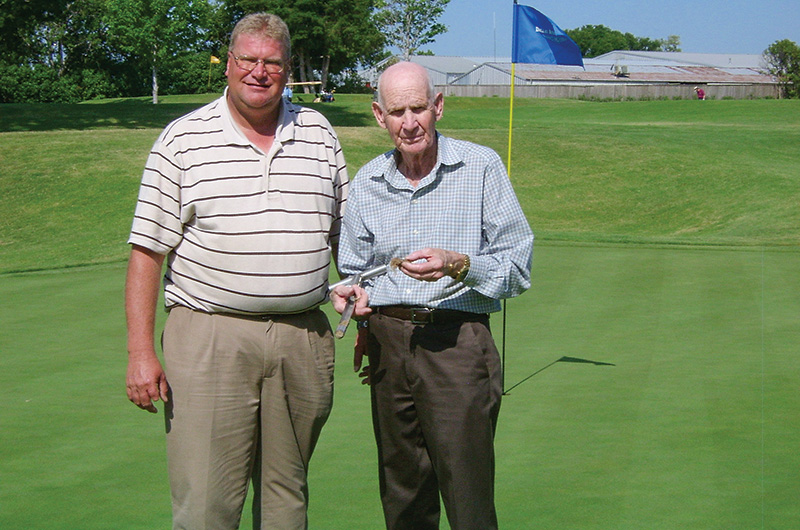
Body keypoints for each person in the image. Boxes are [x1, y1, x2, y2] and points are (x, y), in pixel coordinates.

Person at [124, 12, 348, 530]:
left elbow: (345, 237)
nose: (259, 72)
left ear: (288, 69)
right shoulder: (182, 139)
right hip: (209, 338)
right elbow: (146, 253)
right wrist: (141, 352)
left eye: (272, 62)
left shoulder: (318, 132)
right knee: (206, 506)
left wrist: (360, 301)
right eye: (247, 59)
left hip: (302, 339)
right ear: (228, 64)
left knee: (286, 502)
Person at [331, 62, 533, 530]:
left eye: (418, 108)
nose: (409, 122)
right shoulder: (367, 182)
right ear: (380, 116)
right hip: (387, 345)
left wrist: (458, 263)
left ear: (437, 106)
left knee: (467, 493)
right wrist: (355, 303)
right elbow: (357, 272)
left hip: (457, 341)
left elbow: (518, 269)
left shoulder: (480, 167)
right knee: (402, 492)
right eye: (397, 111)